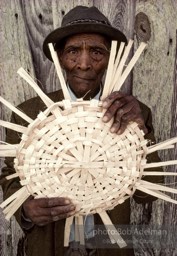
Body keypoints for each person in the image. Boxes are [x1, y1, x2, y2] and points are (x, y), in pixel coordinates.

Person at [0, 5, 163, 256]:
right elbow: (10, 177)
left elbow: (148, 193)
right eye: (73, 51)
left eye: (96, 52)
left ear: (110, 58)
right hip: (47, 247)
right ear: (60, 58)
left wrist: (141, 132)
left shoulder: (132, 113)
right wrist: (25, 209)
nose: (84, 64)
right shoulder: (30, 115)